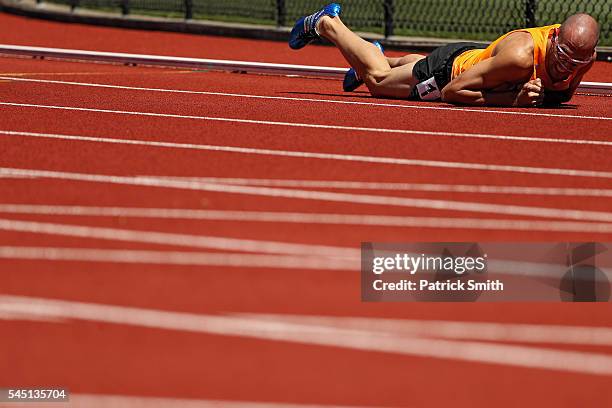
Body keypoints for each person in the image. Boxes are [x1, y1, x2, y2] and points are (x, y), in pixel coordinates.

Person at [288, 3, 599, 107]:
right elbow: (454, 91)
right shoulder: (521, 57)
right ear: (554, 36)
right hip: (447, 73)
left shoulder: (582, 56)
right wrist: (515, 101)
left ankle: (372, 55)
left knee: (394, 68)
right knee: (378, 82)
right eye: (561, 54)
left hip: (474, 59)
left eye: (576, 61)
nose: (566, 64)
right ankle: (328, 23)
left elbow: (560, 93)